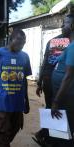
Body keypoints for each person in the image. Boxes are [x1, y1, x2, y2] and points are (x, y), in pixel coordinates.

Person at [0, 29, 32, 147]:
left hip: (18, 102)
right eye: (19, 42)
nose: (21, 45)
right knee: (3, 130)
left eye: (23, 43)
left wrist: (26, 100)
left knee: (16, 127)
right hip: (4, 102)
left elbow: (24, 80)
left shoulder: (25, 56)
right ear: (11, 40)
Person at [33, 14, 72, 146]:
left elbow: (47, 64)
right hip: (54, 83)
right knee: (55, 110)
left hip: (57, 82)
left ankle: (47, 136)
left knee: (56, 110)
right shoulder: (60, 42)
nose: (62, 26)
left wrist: (40, 82)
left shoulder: (63, 41)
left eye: (65, 23)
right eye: (62, 23)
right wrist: (40, 82)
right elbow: (48, 64)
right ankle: (47, 137)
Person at [51, 14, 74, 147]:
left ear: (71, 26)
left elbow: (69, 76)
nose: (61, 26)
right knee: (62, 132)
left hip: (65, 98)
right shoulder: (69, 45)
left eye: (64, 23)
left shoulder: (72, 47)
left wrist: (56, 101)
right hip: (64, 95)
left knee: (64, 134)